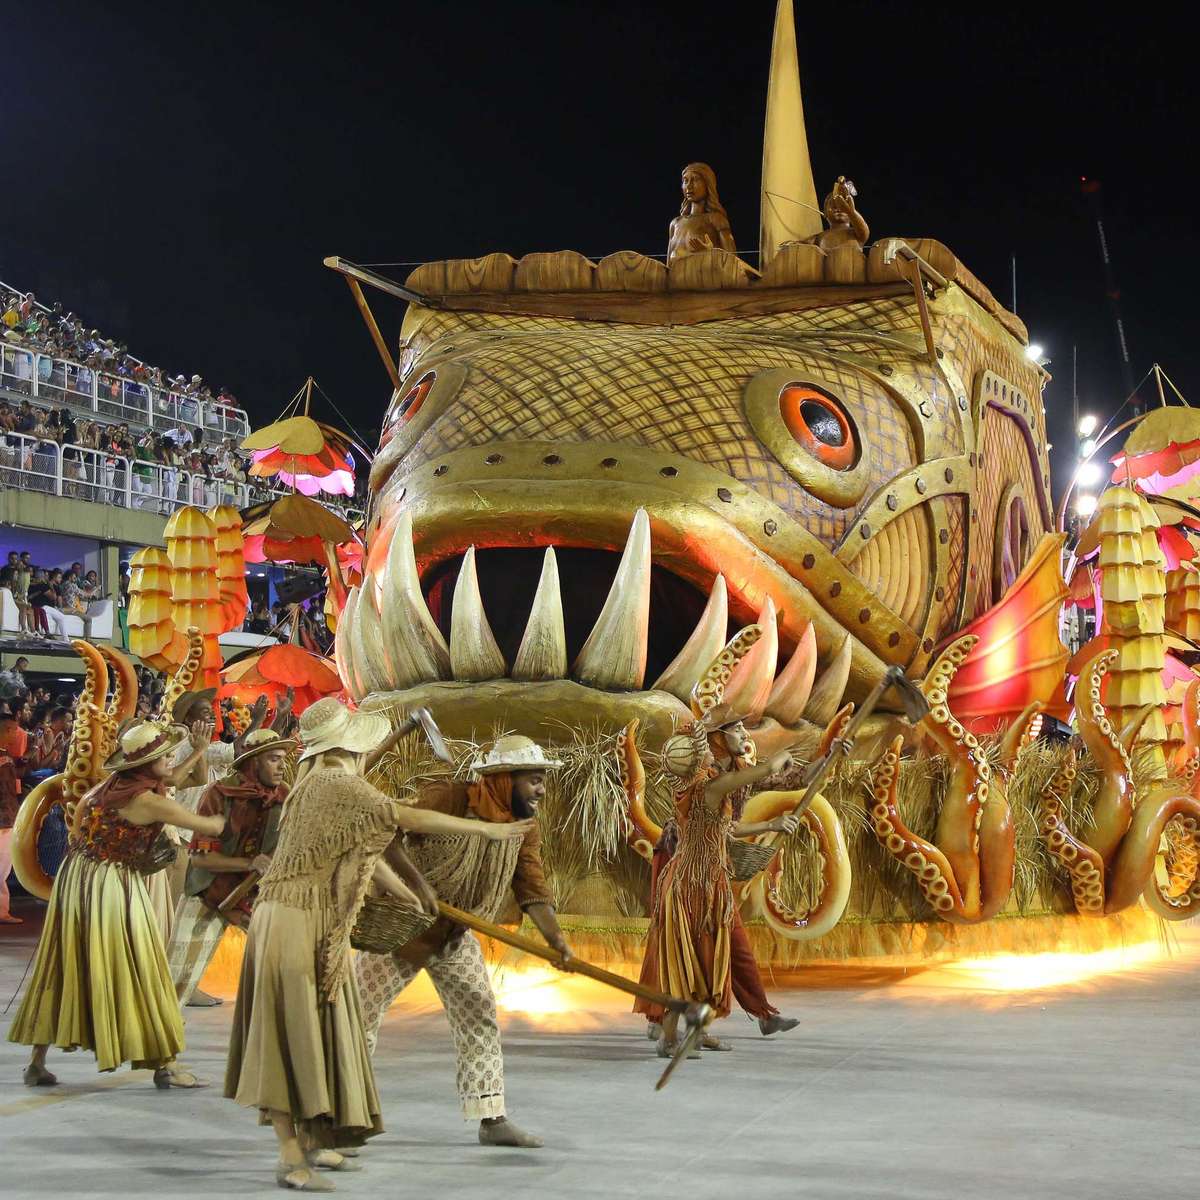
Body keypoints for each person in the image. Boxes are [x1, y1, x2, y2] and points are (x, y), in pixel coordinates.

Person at [224, 697, 527, 1191]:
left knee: (319, 1033)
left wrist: (413, 894)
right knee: (289, 1036)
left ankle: (314, 1143)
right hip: (293, 921)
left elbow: (371, 847)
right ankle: (288, 1154)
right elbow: (407, 819)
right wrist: (489, 831)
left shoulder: (318, 785)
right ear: (353, 745)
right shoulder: (335, 783)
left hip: (312, 922)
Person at [355, 733, 571, 1149]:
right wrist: (414, 885)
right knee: (359, 1017)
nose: (541, 790)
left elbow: (532, 888)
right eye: (533, 780)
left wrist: (556, 939)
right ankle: (341, 1112)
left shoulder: (523, 828)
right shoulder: (449, 799)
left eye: (543, 780)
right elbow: (386, 831)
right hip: (401, 928)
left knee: (479, 1013)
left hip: (453, 933)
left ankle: (492, 1118)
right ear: (504, 779)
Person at [8, 718, 225, 1087]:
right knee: (142, 964)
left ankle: (36, 1062)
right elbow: (212, 826)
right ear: (144, 765)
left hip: (76, 878)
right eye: (164, 756)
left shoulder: (109, 788)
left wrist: (200, 752)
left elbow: (177, 780)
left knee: (64, 964)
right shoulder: (146, 802)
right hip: (111, 882)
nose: (171, 760)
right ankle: (164, 1065)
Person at [633, 722, 794, 1057]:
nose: (707, 749)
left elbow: (725, 828)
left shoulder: (698, 786)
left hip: (707, 882)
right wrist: (778, 759)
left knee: (706, 960)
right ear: (695, 757)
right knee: (686, 961)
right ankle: (670, 1039)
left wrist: (771, 824)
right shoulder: (708, 786)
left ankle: (696, 1033)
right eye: (701, 747)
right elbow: (753, 774)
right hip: (693, 887)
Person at [167, 727, 294, 1008]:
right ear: (254, 761)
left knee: (290, 969)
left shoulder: (285, 797)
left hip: (254, 896)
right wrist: (250, 863)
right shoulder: (220, 794)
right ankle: (154, 1041)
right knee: (175, 982)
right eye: (274, 759)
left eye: (283, 758)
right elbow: (200, 859)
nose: (282, 766)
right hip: (208, 891)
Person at [667, 162, 737, 263]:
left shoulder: (716, 220)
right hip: (677, 277)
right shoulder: (675, 223)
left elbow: (733, 260)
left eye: (695, 179)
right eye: (685, 181)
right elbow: (668, 266)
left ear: (708, 184)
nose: (689, 186)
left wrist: (710, 253)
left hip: (705, 276)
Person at [0, 700, 30, 925]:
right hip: (4, 820)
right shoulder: (3, 759)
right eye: (13, 730)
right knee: (1, 869)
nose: (16, 735)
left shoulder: (6, 758)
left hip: (6, 817)